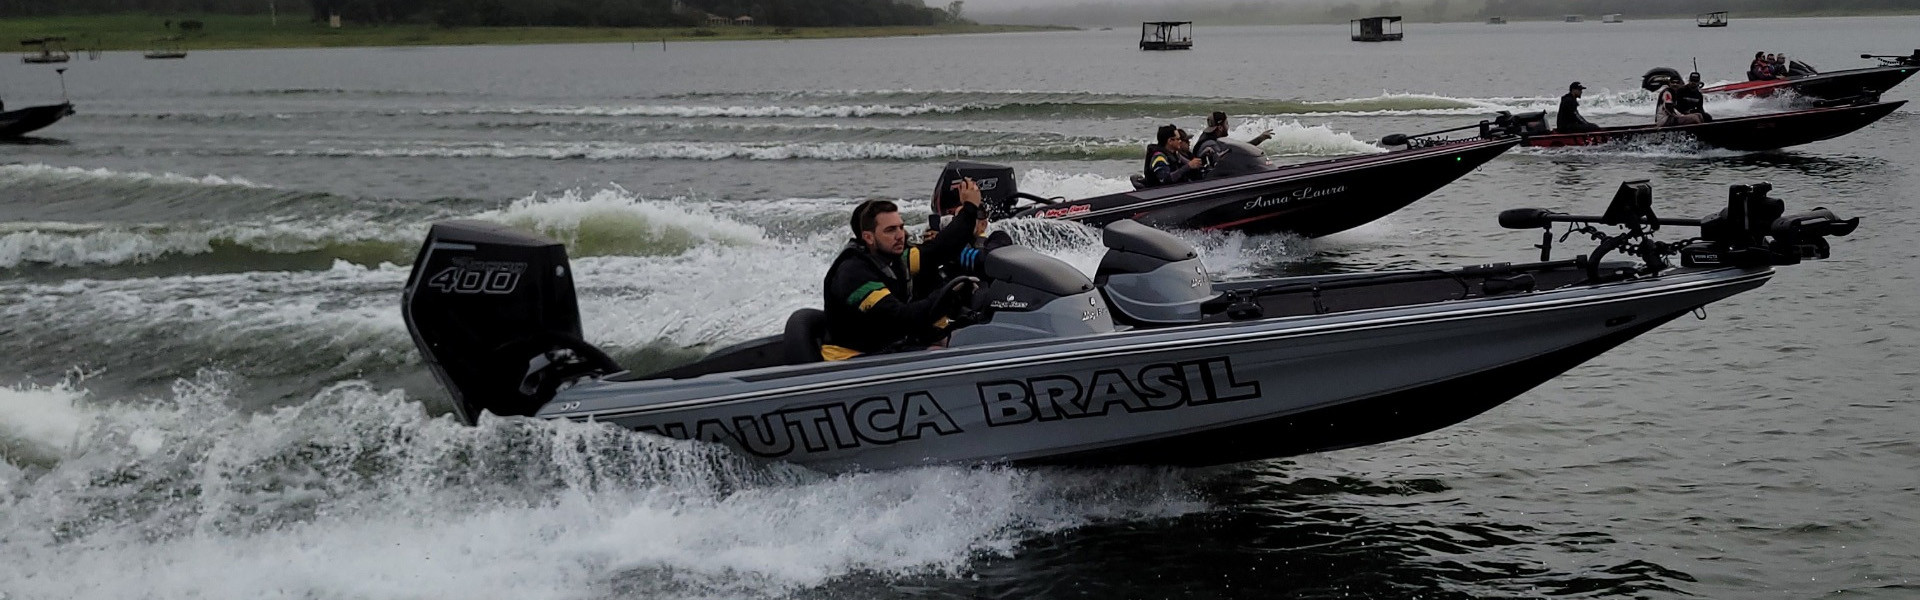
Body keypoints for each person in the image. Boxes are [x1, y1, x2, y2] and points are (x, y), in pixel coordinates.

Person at [820, 182, 987, 360]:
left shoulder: (894, 258)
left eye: (901, 227)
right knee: (940, 356)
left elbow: (937, 252)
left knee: (963, 339)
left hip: (884, 345)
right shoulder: (853, 273)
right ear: (868, 237)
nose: (900, 235)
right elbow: (898, 320)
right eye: (890, 230)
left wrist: (970, 209)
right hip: (851, 360)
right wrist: (945, 298)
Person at [1194, 111, 1273, 150]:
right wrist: (1260, 138)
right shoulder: (1212, 144)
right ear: (1220, 128)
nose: (1228, 126)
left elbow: (1239, 147)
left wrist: (1261, 138)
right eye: (1226, 123)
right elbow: (1239, 149)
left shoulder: (1207, 137)